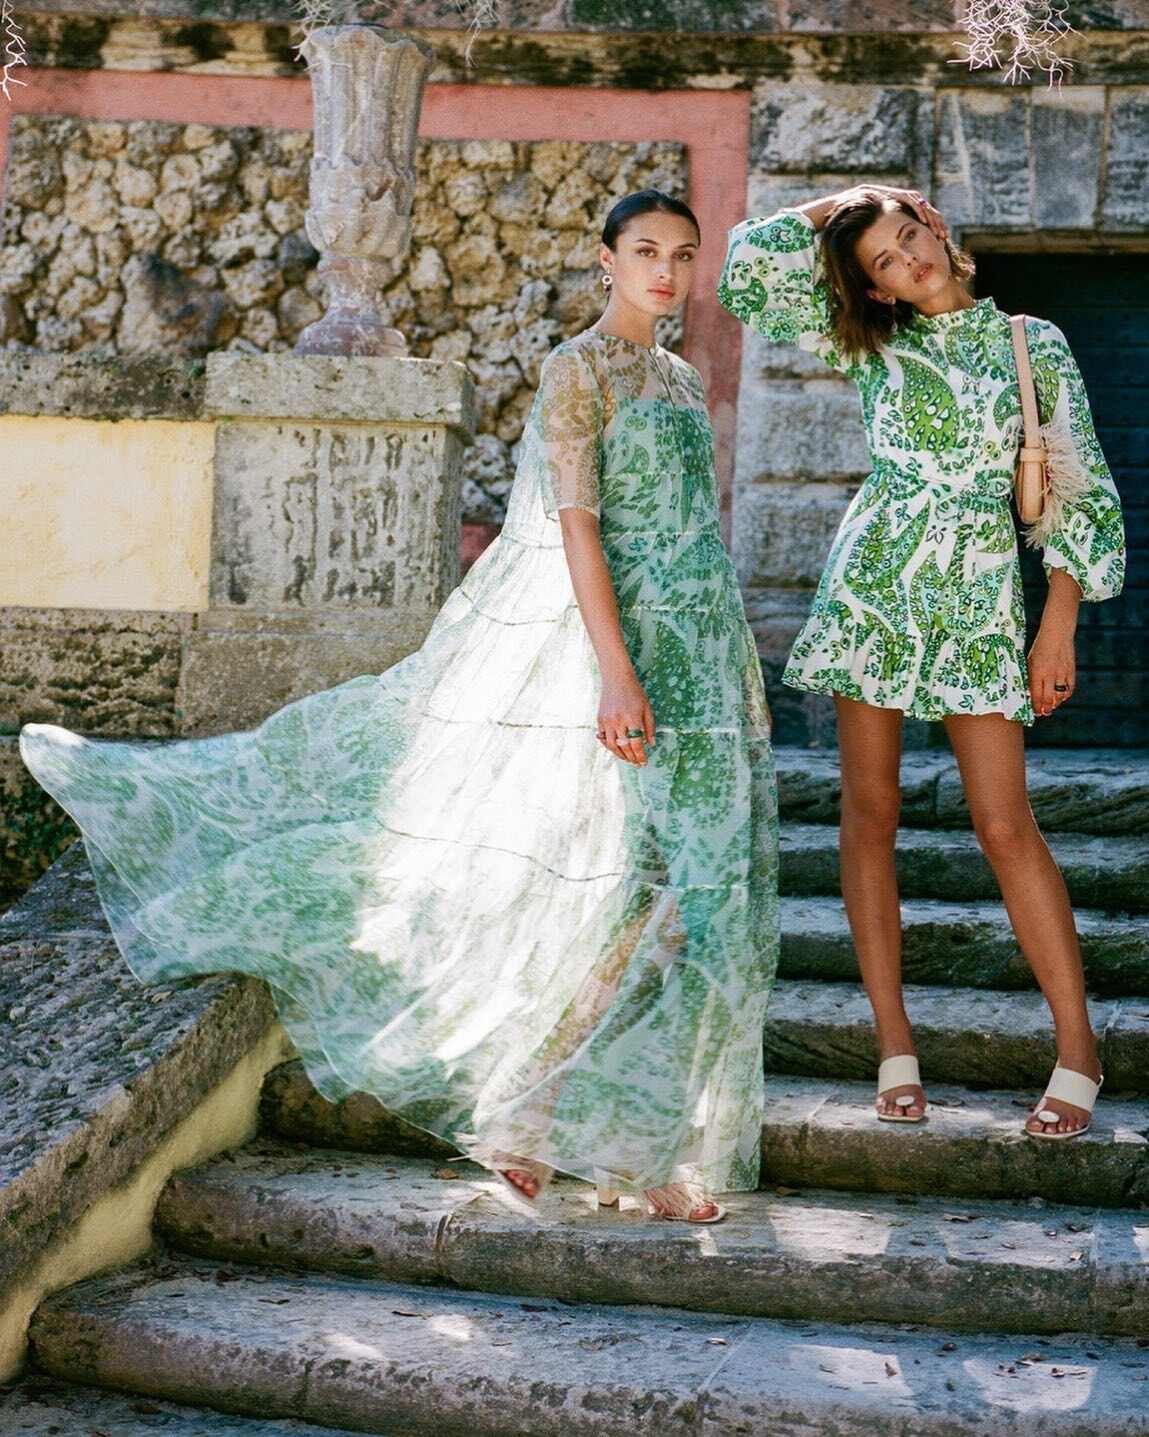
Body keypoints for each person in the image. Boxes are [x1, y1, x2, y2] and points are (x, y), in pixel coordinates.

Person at [21, 189, 779, 1222]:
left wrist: (731, 677)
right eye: (645, 250)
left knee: (693, 906)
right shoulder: (577, 371)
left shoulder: (683, 381)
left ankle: (548, 1114)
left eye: (683, 255)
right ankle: (610, 1143)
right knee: (638, 892)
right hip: (626, 655)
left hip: (705, 664)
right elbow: (576, 529)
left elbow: (695, 535)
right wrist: (615, 669)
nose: (665, 271)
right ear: (604, 258)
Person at [719, 185, 1124, 1141]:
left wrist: (1056, 623)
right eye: (884, 262)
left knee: (1004, 823)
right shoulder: (867, 343)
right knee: (868, 814)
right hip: (874, 589)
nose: (908, 259)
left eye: (909, 235)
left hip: (979, 594)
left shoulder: (1032, 343)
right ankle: (894, 1047)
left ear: (935, 229)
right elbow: (744, 272)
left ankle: (1077, 1048)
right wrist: (846, 202)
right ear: (879, 290)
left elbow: (1082, 490)